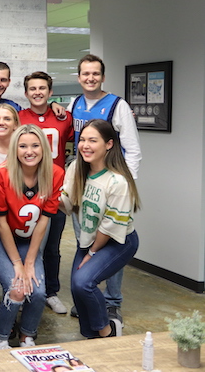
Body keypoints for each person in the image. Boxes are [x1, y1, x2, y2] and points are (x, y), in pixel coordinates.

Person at [67, 54, 142, 323]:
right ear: (79, 77)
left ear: (103, 76)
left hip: (110, 188)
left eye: (95, 73)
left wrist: (124, 185)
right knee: (85, 240)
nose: (90, 78)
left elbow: (132, 151)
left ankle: (112, 302)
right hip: (84, 187)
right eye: (85, 74)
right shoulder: (74, 103)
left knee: (111, 240)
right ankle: (89, 297)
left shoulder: (117, 106)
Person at [0, 125, 64, 350]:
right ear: (15, 149)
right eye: (23, 146)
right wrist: (18, 264)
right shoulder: (2, 173)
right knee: (16, 287)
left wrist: (30, 261)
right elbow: (0, 222)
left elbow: (43, 221)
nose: (30, 151)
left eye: (35, 145)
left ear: (44, 148)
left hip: (28, 238)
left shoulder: (55, 173)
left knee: (37, 289)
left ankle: (27, 335)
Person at [61, 119, 140, 339]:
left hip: (118, 241)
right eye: (83, 140)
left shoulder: (118, 181)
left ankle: (108, 331)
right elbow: (67, 203)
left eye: (92, 140)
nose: (85, 145)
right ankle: (91, 337)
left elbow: (109, 226)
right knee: (77, 289)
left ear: (108, 144)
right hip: (89, 239)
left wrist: (92, 253)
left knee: (84, 282)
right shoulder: (77, 167)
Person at [19, 71, 74, 316]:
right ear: (26, 93)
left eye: (42, 88)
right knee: (27, 244)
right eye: (33, 89)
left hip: (55, 188)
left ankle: (51, 292)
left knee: (52, 246)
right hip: (26, 190)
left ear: (50, 92)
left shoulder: (64, 117)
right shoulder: (19, 117)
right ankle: (24, 288)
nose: (38, 92)